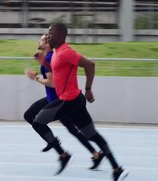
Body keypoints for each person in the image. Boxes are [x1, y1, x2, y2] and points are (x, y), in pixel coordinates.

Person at [31, 23, 128, 181]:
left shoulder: (66, 51)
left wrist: (89, 89)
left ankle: (63, 155)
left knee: (37, 122)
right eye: (47, 34)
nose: (48, 36)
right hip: (75, 100)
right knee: (92, 135)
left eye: (51, 34)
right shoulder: (57, 53)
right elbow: (58, 69)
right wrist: (43, 63)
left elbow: (90, 65)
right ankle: (117, 169)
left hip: (68, 100)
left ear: (61, 36)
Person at [24, 34, 105, 170]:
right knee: (29, 115)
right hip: (51, 99)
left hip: (60, 101)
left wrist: (35, 77)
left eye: (43, 39)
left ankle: (93, 154)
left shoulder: (50, 57)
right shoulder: (48, 58)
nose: (39, 40)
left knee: (74, 130)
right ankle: (53, 141)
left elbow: (52, 83)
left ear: (48, 44)